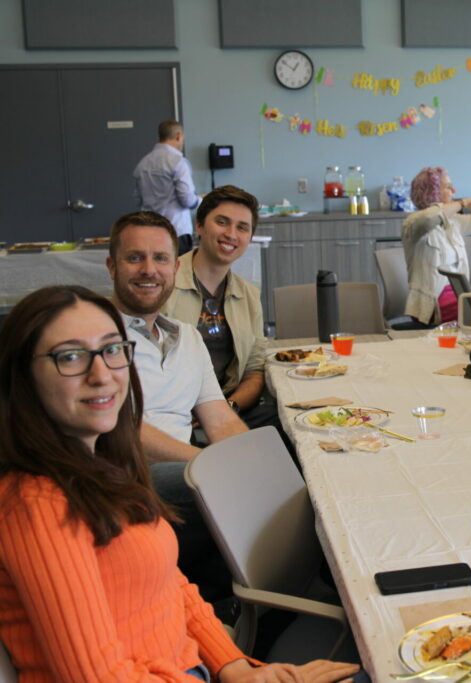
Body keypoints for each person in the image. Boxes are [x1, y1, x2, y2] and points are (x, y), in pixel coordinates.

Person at [0, 285, 359, 681]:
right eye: (70, 356)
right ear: (22, 377)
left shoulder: (102, 469)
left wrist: (235, 667)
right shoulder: (38, 504)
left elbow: (168, 583)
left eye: (112, 350)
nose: (101, 375)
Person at [107, 210, 247, 601]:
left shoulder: (187, 336)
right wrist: (205, 464)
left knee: (288, 476)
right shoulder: (98, 333)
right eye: (135, 258)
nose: (149, 270)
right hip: (123, 471)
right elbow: (122, 426)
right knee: (220, 490)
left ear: (176, 266)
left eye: (161, 259)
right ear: (111, 266)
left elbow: (219, 418)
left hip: (183, 464)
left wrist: (257, 461)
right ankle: (233, 611)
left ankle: (265, 602)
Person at [163, 185, 277, 430]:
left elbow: (255, 369)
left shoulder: (248, 294)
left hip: (228, 408)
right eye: (222, 222)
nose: (231, 234)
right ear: (200, 226)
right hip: (174, 413)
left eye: (242, 227)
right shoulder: (163, 284)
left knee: (289, 426)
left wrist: (228, 407)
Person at [401, 166, 471, 326]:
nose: (454, 190)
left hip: (459, 296)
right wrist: (464, 203)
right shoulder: (414, 222)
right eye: (448, 186)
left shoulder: (453, 221)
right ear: (432, 192)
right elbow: (429, 218)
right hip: (432, 304)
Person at [133, 119, 201, 255]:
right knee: (179, 273)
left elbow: (138, 199)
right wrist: (201, 200)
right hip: (176, 231)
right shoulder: (178, 162)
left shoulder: (143, 163)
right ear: (178, 136)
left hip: (151, 231)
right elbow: (187, 199)